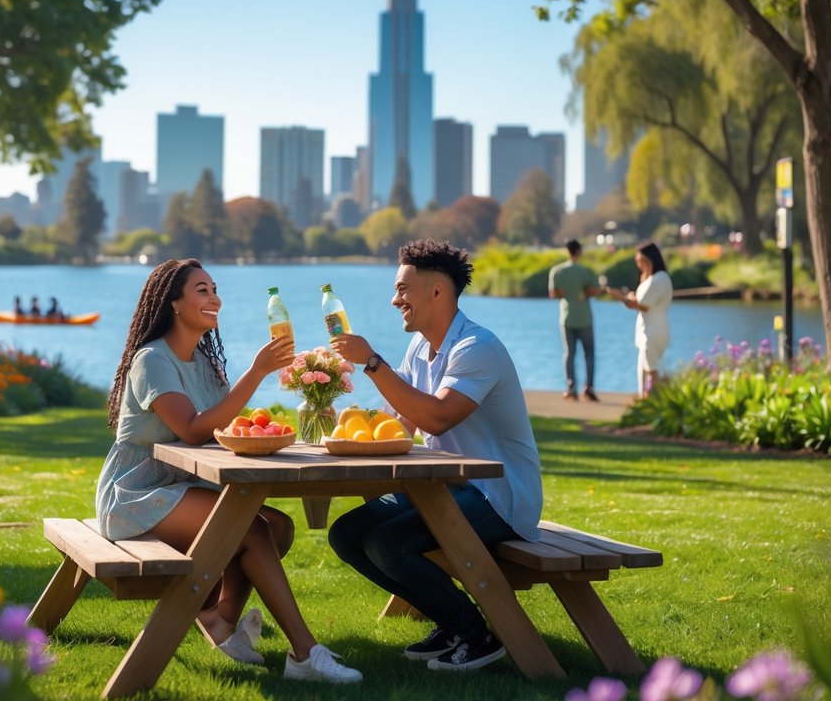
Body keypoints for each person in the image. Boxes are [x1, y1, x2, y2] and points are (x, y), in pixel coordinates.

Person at [95, 258, 361, 684]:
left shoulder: (202, 359)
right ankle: (305, 653)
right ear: (174, 303)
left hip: (182, 486)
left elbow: (225, 422)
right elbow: (194, 429)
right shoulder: (152, 360)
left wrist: (301, 407)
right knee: (250, 529)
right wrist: (257, 371)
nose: (215, 298)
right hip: (136, 495)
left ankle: (221, 619)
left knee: (277, 528)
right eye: (202, 290)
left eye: (215, 289)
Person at [328, 239, 542, 673]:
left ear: (438, 292)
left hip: (498, 496)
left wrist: (372, 362)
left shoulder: (476, 348)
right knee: (347, 535)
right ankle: (452, 623)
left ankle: (475, 634)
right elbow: (400, 423)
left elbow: (439, 417)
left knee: (388, 543)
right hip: (446, 488)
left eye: (403, 289)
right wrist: (336, 414)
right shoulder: (420, 349)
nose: (395, 300)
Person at [608, 241, 673, 397]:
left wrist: (621, 297)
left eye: (641, 261)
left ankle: (656, 402)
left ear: (650, 260)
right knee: (644, 371)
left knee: (652, 370)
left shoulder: (660, 278)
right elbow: (639, 300)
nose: (639, 265)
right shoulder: (652, 279)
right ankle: (648, 403)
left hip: (653, 331)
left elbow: (642, 305)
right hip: (649, 329)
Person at [548, 239, 603, 401]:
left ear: (567, 251)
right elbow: (594, 290)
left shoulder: (557, 271)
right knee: (589, 354)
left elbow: (553, 294)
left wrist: (563, 293)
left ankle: (571, 388)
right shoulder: (586, 271)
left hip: (567, 318)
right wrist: (584, 293)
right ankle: (589, 388)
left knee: (569, 354)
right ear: (579, 251)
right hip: (585, 318)